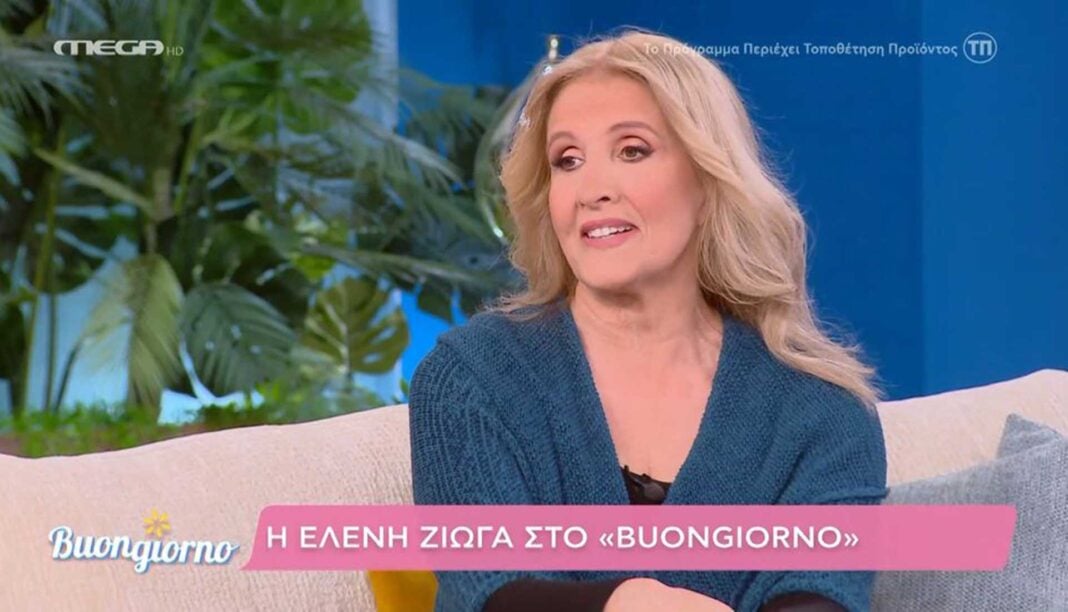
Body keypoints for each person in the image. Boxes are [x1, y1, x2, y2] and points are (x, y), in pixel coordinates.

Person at [408, 27, 888, 612]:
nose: (591, 190)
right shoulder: (471, 379)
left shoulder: (822, 409)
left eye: (632, 150)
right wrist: (628, 601)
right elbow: (489, 592)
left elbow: (819, 598)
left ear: (708, 180)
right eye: (567, 161)